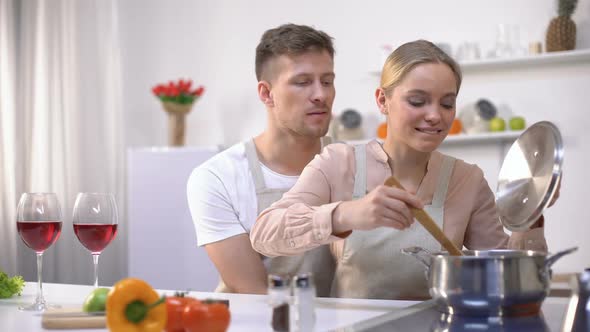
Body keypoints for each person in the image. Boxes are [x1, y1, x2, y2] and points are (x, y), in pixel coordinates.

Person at [250, 40, 554, 300]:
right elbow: (265, 233)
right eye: (418, 101)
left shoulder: (466, 179)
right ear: (383, 100)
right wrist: (345, 214)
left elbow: (506, 282)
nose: (435, 116)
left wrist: (530, 211)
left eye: (447, 104)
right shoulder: (339, 163)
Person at [187, 23, 337, 295]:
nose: (321, 95)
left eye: (327, 81)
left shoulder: (358, 165)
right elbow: (253, 292)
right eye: (302, 82)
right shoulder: (217, 178)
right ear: (267, 93)